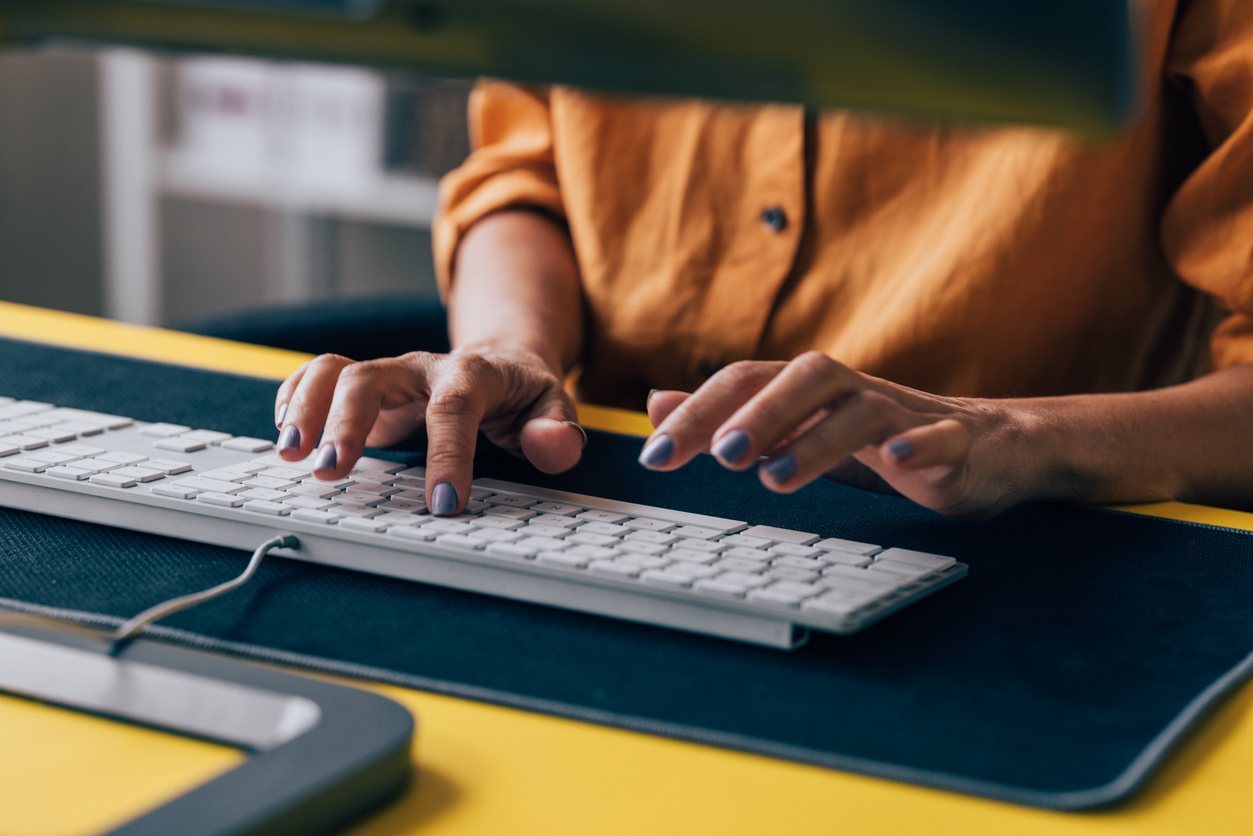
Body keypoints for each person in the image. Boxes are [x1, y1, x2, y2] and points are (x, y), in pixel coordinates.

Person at [272, 0, 1253, 521]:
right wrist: (507, 346)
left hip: (1030, 545)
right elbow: (527, 173)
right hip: (602, 490)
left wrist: (1012, 434)